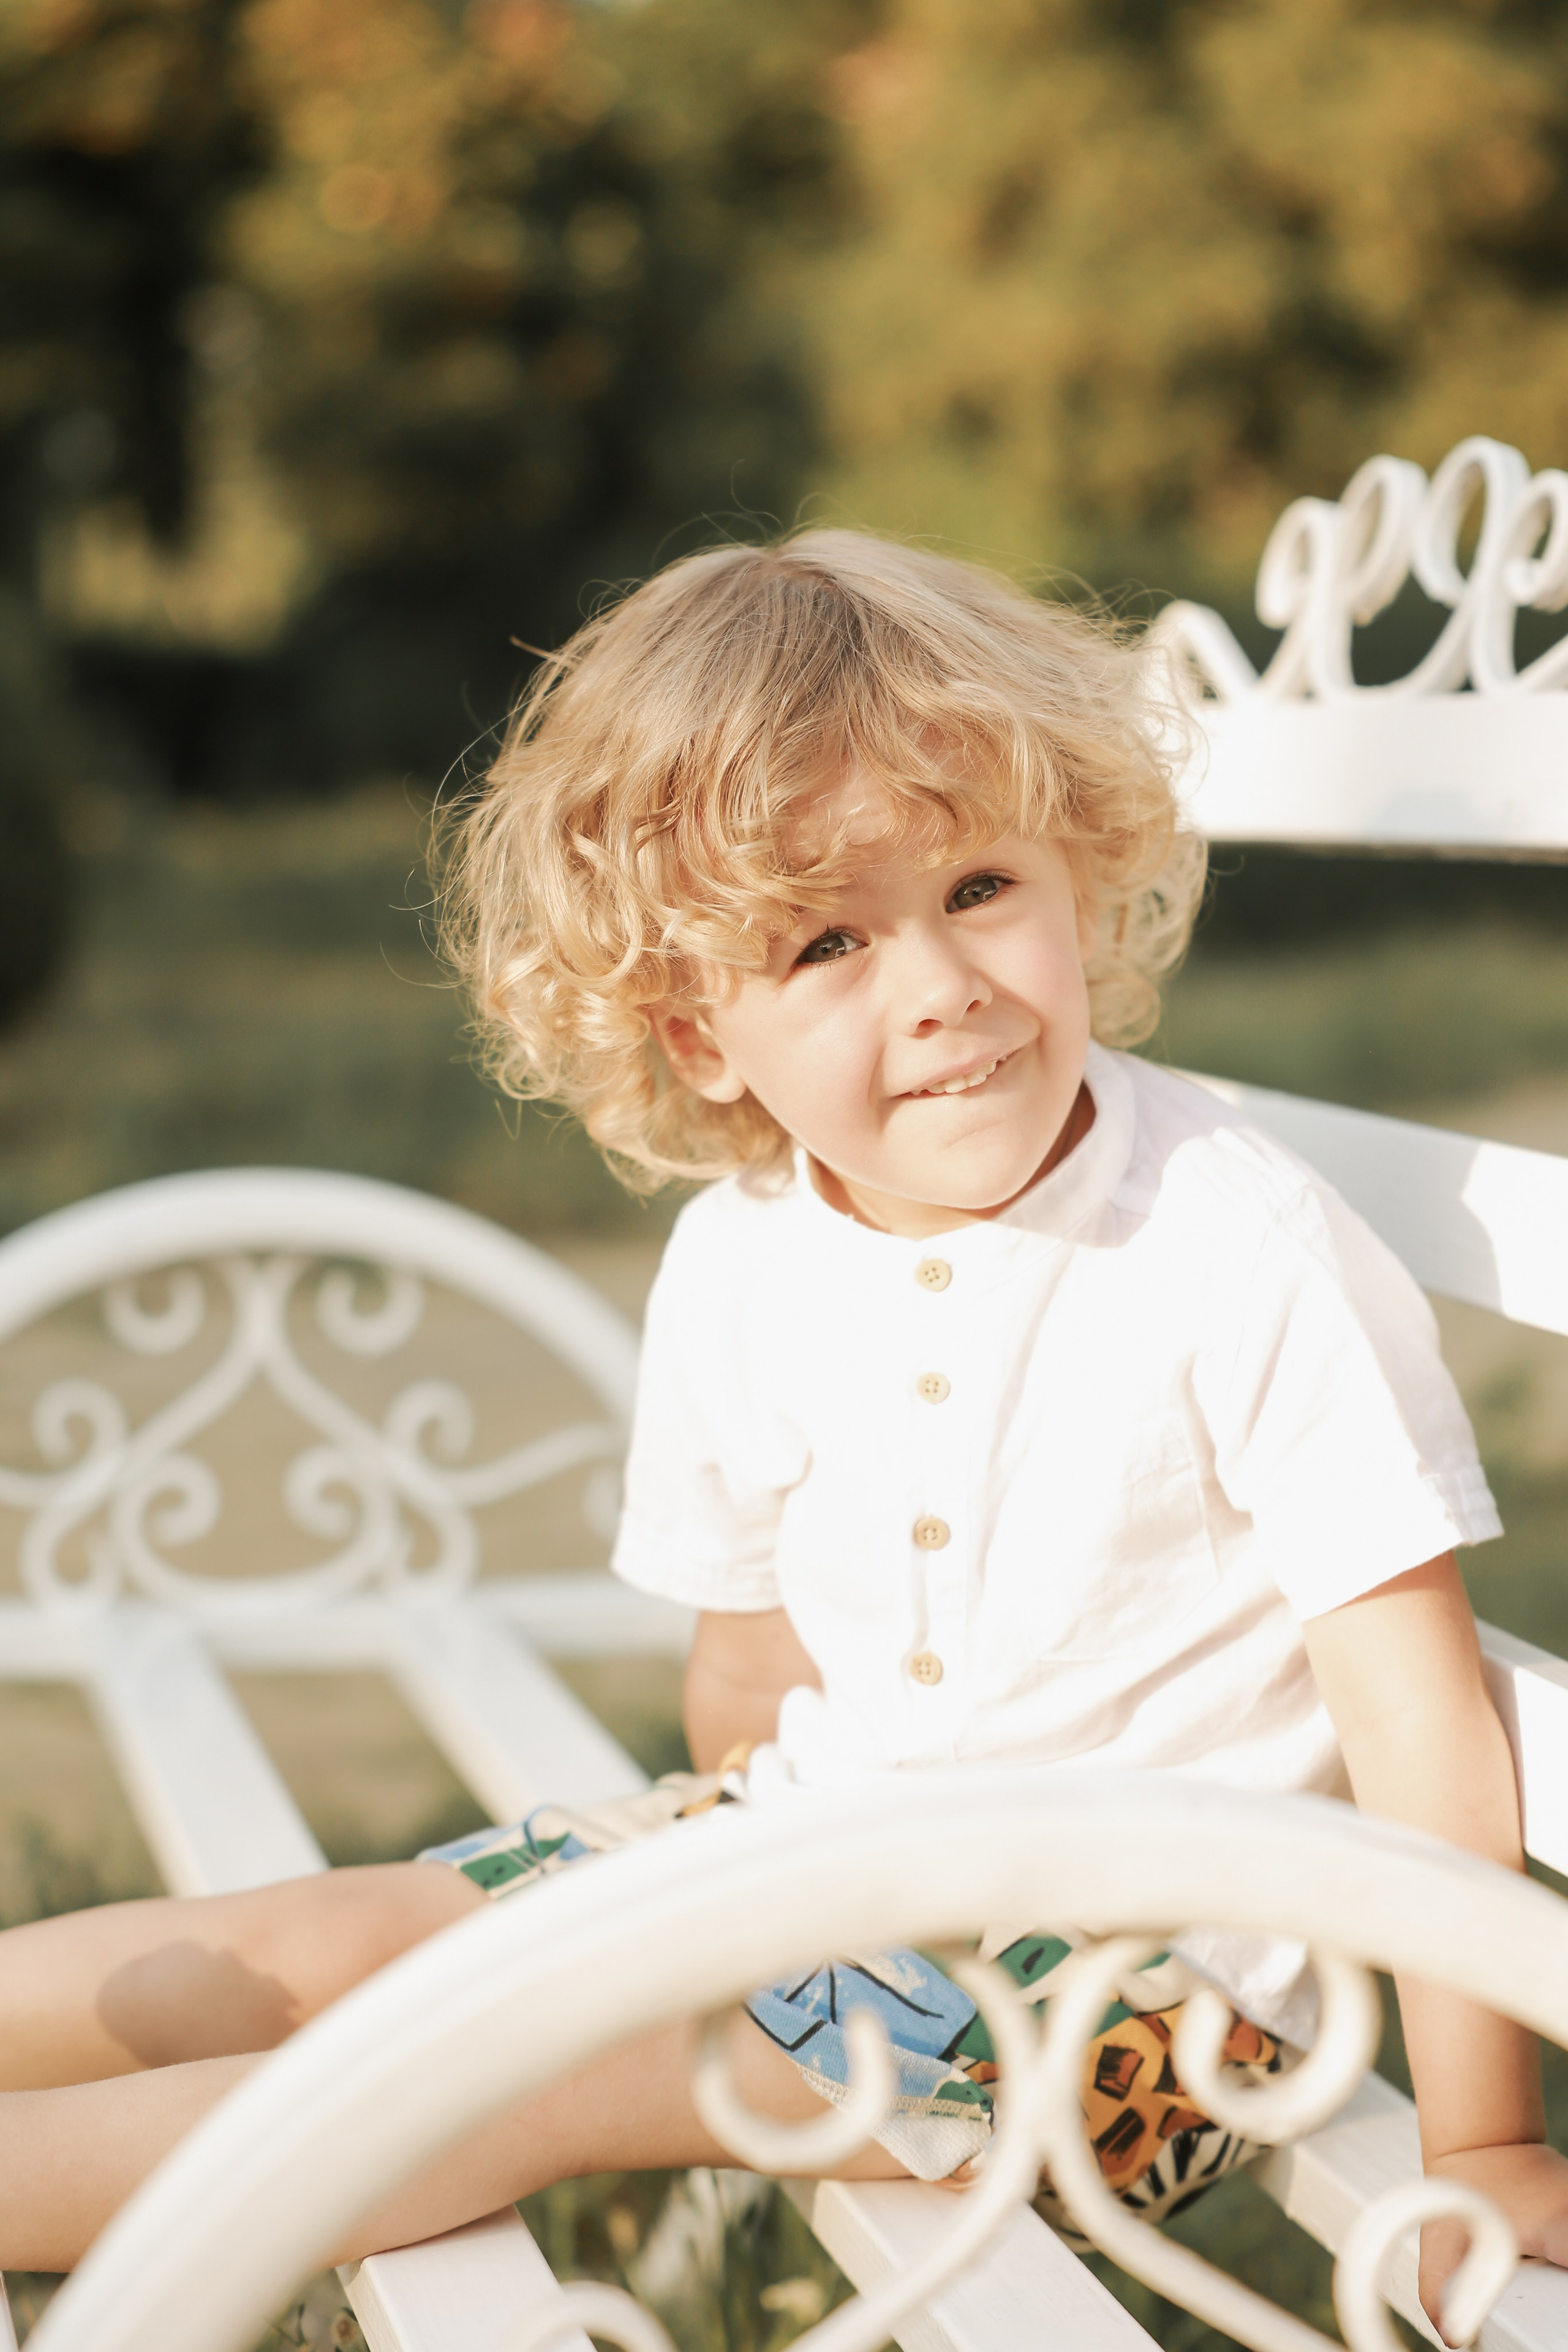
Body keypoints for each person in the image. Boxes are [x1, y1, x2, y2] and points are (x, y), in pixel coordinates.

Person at [0, 533, 1562, 2337]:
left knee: (490, 2082)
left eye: (981, 886)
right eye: (827, 941)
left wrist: (1487, 2138)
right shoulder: (746, 1255)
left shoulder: (1232, 1242)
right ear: (702, 1035)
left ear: (1078, 866)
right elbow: (741, 1679)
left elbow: (1420, 1720)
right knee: (353, 1945)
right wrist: (720, 1875)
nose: (940, 986)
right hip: (814, 1871)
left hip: (1132, 2002)